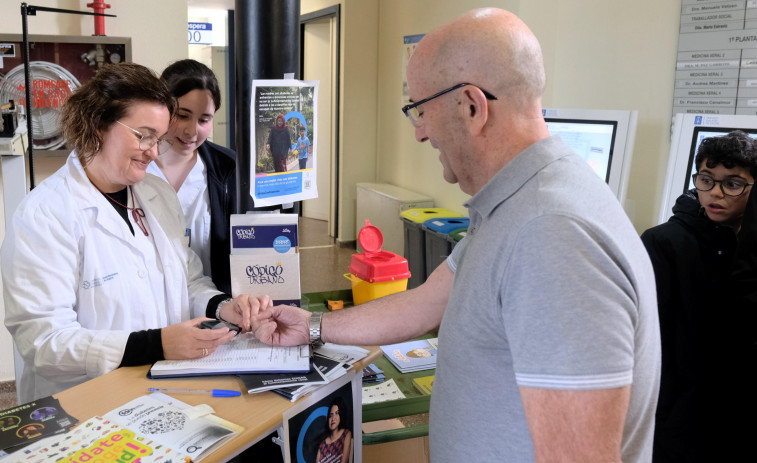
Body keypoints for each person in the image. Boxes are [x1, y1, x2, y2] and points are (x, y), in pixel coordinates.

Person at [251, 8, 660, 462]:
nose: (420, 133)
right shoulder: (515, 203)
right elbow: (428, 301)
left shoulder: (551, 235)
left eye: (420, 110)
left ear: (471, 106)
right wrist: (311, 327)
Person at [1, 63, 264, 403]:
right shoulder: (45, 215)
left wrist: (223, 306)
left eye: (158, 138)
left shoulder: (157, 195)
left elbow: (188, 279)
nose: (154, 152)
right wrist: (156, 343)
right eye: (143, 136)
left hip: (161, 390)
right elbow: (43, 342)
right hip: (83, 403)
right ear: (98, 125)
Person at [640, 131, 757, 461]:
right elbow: (652, 340)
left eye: (733, 184)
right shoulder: (664, 242)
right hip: (679, 413)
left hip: (735, 409)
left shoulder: (749, 249)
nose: (716, 193)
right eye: (706, 180)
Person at [147, 59, 236, 294]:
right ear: (162, 107)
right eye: (182, 115)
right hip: (149, 310)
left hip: (212, 309)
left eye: (204, 120)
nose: (192, 131)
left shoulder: (227, 168)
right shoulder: (135, 165)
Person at [316, 397, 352, 463]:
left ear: (341, 415)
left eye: (337, 413)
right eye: (330, 415)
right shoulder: (322, 444)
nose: (333, 418)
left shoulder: (346, 434)